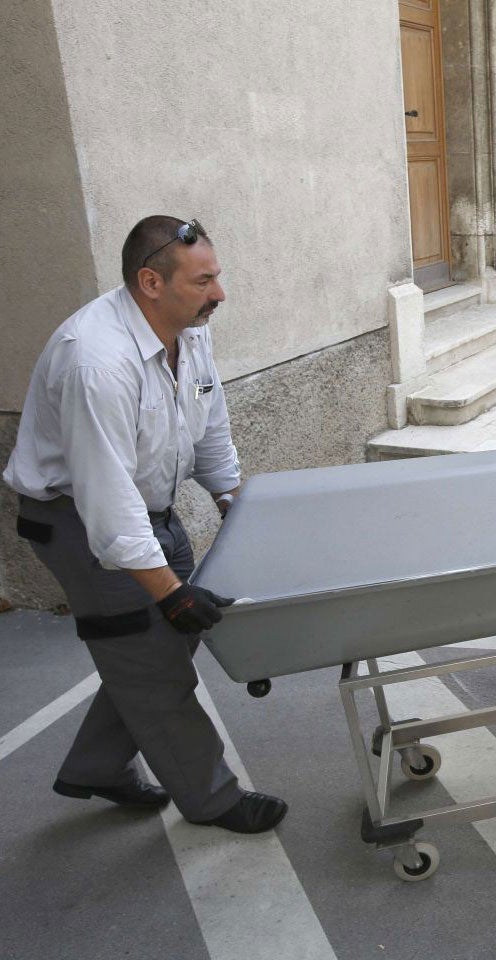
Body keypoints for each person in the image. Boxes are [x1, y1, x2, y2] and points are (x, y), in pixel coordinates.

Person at [4, 215, 287, 833]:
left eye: (217, 277)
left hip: (147, 515)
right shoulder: (97, 362)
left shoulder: (188, 330)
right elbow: (105, 503)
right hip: (82, 526)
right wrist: (168, 591)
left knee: (149, 651)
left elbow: (210, 428)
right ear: (150, 282)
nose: (220, 294)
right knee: (155, 661)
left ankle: (97, 766)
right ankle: (214, 798)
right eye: (204, 281)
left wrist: (234, 501)